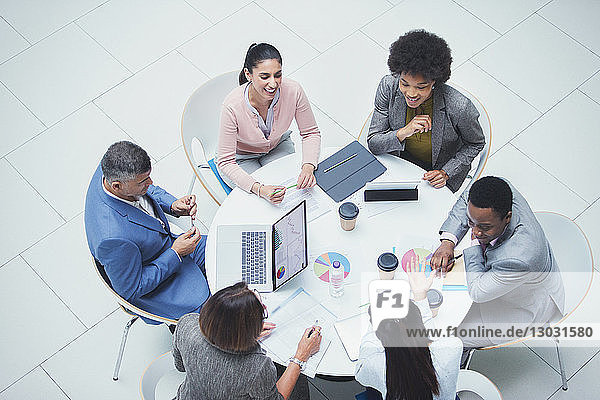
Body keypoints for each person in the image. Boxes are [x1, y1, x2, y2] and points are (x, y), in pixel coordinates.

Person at [431, 176, 565, 351]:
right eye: (472, 222)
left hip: (521, 309)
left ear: (507, 217)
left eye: (485, 227)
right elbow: (468, 197)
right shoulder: (500, 189)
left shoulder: (520, 259)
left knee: (443, 340)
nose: (476, 231)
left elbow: (478, 292)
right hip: (512, 281)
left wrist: (474, 245)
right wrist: (448, 242)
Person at [85, 141, 210, 323]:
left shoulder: (110, 168)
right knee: (216, 313)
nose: (150, 183)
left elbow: (147, 191)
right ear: (117, 186)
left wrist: (172, 205)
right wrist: (176, 253)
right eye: (143, 181)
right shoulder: (113, 239)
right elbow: (132, 289)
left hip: (165, 244)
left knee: (222, 246)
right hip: (160, 284)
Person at [367, 30, 485, 192]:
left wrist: (446, 172)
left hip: (436, 173)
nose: (411, 94)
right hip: (397, 164)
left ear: (435, 82)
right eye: (405, 84)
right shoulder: (389, 86)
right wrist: (403, 132)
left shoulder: (459, 106)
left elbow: (475, 143)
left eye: (421, 87)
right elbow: (374, 143)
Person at [173, 282, 321, 400]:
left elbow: (180, 366)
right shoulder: (258, 367)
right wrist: (301, 356)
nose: (264, 306)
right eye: (261, 311)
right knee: (299, 380)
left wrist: (241, 335)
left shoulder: (186, 324)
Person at [217, 43, 321, 204]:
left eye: (278, 75)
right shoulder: (232, 106)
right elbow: (226, 162)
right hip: (241, 157)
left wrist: (308, 166)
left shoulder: (294, 91)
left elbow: (310, 133)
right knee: (261, 201)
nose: (273, 84)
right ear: (248, 74)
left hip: (277, 146)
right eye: (265, 77)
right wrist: (259, 189)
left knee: (291, 192)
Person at [355, 257, 462, 399]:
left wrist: (378, 317)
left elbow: (360, 373)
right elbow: (428, 338)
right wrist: (420, 295)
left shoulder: (373, 365)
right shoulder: (452, 347)